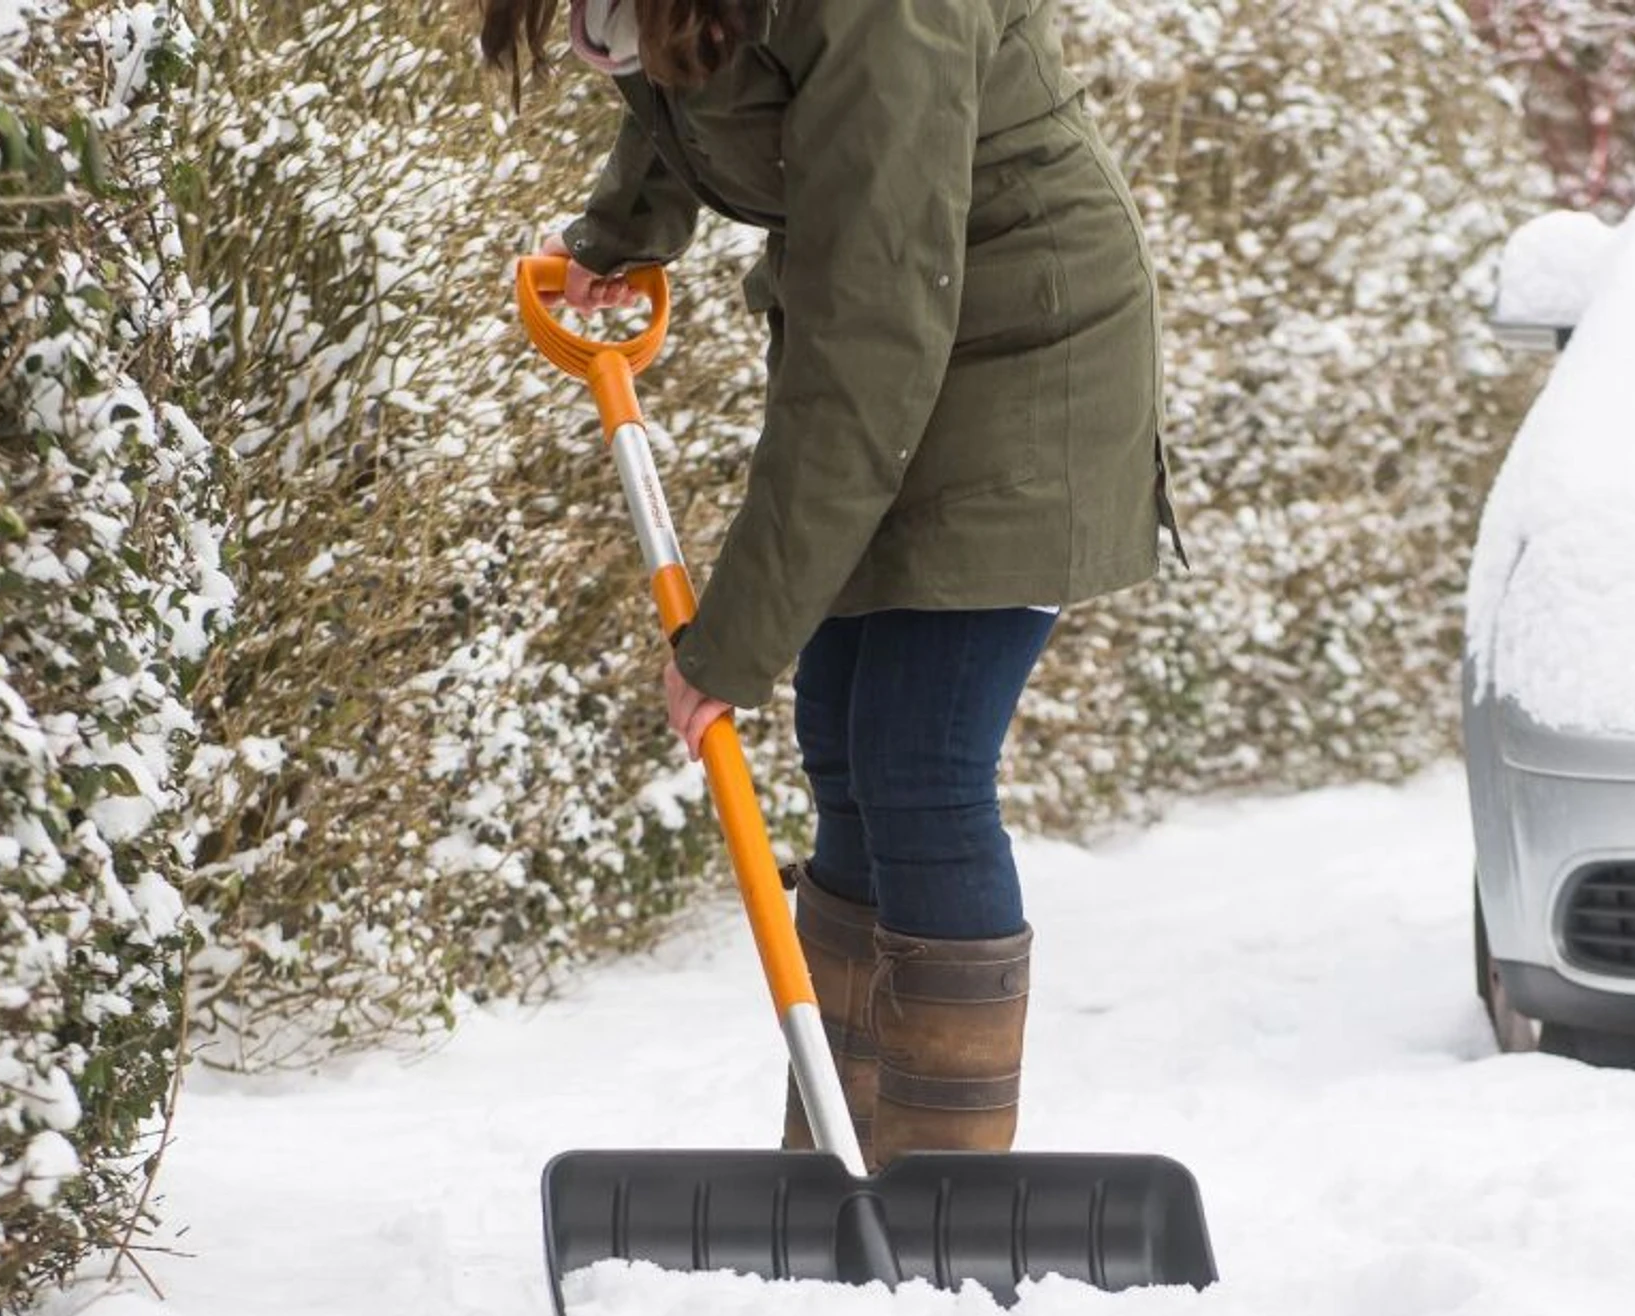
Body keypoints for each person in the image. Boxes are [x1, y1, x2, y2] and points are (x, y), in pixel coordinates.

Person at [479, 0, 1177, 1167]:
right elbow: (695, 79)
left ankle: (941, 1188)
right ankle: (845, 1161)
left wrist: (731, 641)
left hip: (1021, 348)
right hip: (899, 327)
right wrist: (621, 234)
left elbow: (870, 325)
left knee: (919, 756)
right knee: (845, 745)